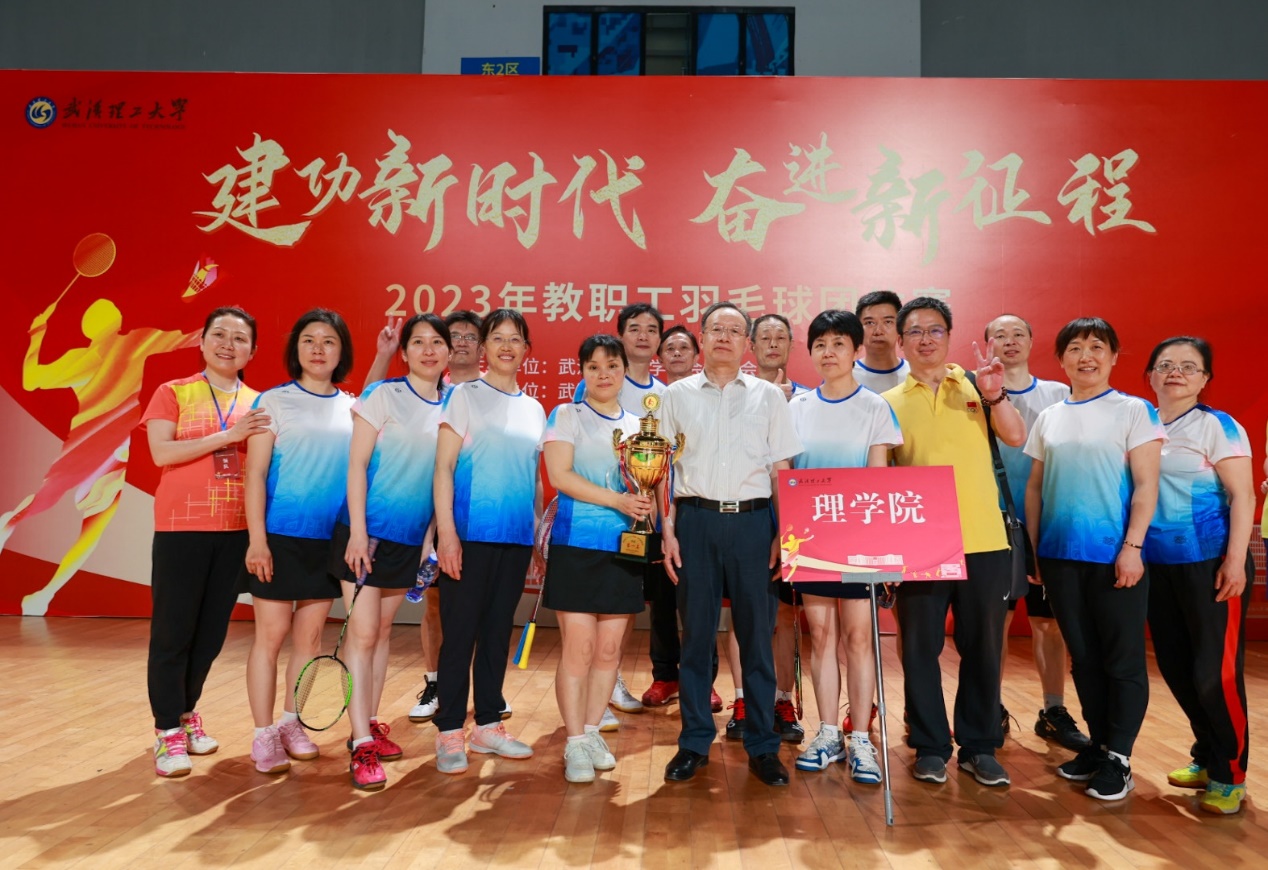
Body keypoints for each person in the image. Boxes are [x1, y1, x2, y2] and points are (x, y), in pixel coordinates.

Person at [882, 296, 1025, 788]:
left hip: (984, 538)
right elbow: (882, 477)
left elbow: (1016, 436)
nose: (926, 339)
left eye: (935, 330)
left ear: (949, 336)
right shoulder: (888, 402)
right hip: (921, 545)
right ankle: (929, 745)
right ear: (900, 342)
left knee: (983, 647)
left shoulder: (977, 385)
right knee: (919, 648)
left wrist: (995, 396)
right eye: (915, 331)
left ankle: (979, 746)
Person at [658, 301, 802, 787]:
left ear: (747, 343)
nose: (724, 336)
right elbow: (662, 471)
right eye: (715, 328)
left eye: (734, 330)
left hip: (753, 525)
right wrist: (668, 530)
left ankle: (763, 745)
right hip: (695, 523)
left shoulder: (770, 397)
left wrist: (784, 533)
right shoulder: (675, 395)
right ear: (702, 338)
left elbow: (781, 470)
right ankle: (694, 742)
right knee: (696, 639)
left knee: (758, 640)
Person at [1023, 317, 1164, 801]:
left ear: (1114, 356)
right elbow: (1036, 488)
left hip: (1114, 556)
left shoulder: (1134, 411)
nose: (1086, 356)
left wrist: (1133, 548)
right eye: (1075, 348)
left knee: (1121, 659)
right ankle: (1100, 746)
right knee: (1083, 658)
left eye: (1097, 347)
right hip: (1059, 556)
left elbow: (1146, 485)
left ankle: (1119, 758)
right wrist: (1037, 551)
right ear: (1061, 359)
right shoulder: (1050, 416)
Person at [142, 306, 268, 777]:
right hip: (181, 530)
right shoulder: (173, 392)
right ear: (202, 341)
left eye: (239, 338)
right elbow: (162, 452)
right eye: (219, 334)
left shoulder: (260, 403)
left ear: (252, 350)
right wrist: (228, 436)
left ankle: (185, 713)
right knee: (172, 634)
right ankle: (166, 731)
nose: (228, 344)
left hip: (235, 531)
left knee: (211, 636)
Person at [333, 313, 451, 790]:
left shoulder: (453, 404)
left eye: (437, 342)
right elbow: (356, 464)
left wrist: (428, 542)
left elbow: (441, 479)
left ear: (449, 352)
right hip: (364, 535)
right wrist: (358, 533)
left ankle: (369, 723)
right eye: (418, 342)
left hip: (409, 540)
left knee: (381, 633)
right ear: (405, 353)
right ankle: (360, 745)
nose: (428, 350)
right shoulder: (384, 394)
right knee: (362, 636)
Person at [787, 310, 902, 783]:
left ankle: (860, 738)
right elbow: (786, 475)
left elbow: (878, 478)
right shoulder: (796, 407)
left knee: (858, 637)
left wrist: (883, 548)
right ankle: (828, 731)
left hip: (858, 541)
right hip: (811, 541)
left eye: (838, 343)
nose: (828, 352)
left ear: (856, 350)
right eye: (820, 344)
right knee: (821, 636)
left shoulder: (875, 407)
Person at [1143, 337, 1254, 815]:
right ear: (1150, 374)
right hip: (1157, 566)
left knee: (1214, 673)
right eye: (1166, 364)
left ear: (1205, 378)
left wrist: (1235, 560)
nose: (1176, 372)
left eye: (1189, 366)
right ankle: (1207, 754)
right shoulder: (1141, 423)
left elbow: (1243, 495)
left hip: (1211, 563)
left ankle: (1230, 773)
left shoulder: (1217, 426)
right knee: (1176, 667)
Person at [243, 308, 356, 775]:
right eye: (309, 340)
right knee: (270, 638)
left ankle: (291, 723)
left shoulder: (353, 407)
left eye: (328, 341)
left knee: (309, 639)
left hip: (327, 541)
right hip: (279, 538)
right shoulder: (273, 402)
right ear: (296, 349)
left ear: (341, 352)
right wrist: (257, 540)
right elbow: (255, 474)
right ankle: (263, 733)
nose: (318, 349)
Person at [432, 308, 545, 775]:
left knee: (498, 633)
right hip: (468, 536)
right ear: (483, 348)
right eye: (497, 338)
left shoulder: (534, 408)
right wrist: (447, 535)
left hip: (515, 540)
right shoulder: (464, 396)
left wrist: (536, 536)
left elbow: (534, 479)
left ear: (526, 350)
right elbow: (443, 468)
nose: (506, 346)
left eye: (515, 339)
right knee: (460, 634)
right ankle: (448, 731)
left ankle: (488, 725)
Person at [542, 334, 653, 782]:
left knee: (609, 651)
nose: (603, 374)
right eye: (593, 367)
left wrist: (644, 503)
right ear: (582, 372)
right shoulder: (566, 415)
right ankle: (573, 741)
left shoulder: (641, 426)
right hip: (577, 544)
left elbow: (647, 484)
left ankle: (590, 733)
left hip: (625, 547)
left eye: (611, 366)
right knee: (580, 648)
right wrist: (618, 501)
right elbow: (560, 475)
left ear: (625, 370)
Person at [983, 314, 1089, 751]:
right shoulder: (978, 393)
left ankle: (1053, 710)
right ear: (987, 344)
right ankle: (991, 706)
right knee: (998, 623)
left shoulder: (1058, 394)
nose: (1009, 341)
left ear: (1031, 341)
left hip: (1047, 520)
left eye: (1018, 334)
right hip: (995, 521)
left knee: (1049, 623)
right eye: (1000, 335)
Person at [576, 303, 667, 722]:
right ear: (620, 335)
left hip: (641, 517)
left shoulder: (663, 394)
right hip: (597, 519)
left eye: (651, 329)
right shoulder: (598, 384)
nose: (643, 335)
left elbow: (664, 465)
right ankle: (597, 689)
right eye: (634, 328)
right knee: (594, 610)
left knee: (627, 604)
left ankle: (610, 678)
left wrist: (659, 519)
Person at [642, 326, 726, 716]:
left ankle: (704, 680)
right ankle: (665, 675)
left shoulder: (713, 398)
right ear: (659, 357)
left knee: (700, 606)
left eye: (684, 347)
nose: (676, 353)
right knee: (661, 601)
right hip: (657, 516)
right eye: (669, 348)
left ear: (697, 353)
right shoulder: (654, 402)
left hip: (698, 516)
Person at [750, 313, 811, 744]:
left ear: (791, 345)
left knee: (787, 616)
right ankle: (746, 700)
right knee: (748, 616)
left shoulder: (807, 400)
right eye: (764, 338)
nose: (772, 344)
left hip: (793, 523)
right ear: (751, 346)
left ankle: (782, 700)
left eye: (780, 338)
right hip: (749, 519)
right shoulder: (738, 394)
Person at [852, 291, 909, 393]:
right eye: (870, 323)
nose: (878, 331)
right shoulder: (844, 376)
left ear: (900, 326)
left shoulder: (914, 374)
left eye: (888, 322)